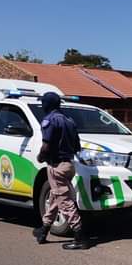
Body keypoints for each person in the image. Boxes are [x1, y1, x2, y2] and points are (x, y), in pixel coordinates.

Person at [32, 92, 89, 250]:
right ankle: (43, 230)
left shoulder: (50, 120)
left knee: (64, 201)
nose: (42, 106)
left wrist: (40, 157)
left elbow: (46, 145)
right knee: (55, 197)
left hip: (57, 166)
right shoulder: (69, 121)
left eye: (43, 103)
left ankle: (80, 237)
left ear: (48, 104)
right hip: (69, 165)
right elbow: (77, 146)